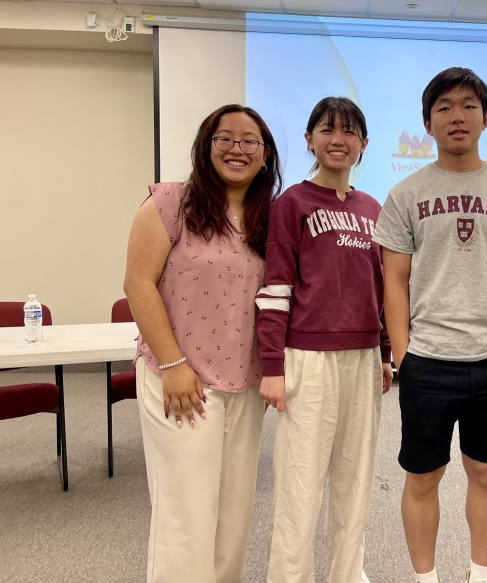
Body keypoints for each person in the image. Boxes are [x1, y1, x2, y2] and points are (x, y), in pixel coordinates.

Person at [373, 67, 487, 583]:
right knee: (422, 476)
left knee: (486, 473)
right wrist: (404, 353)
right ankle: (426, 578)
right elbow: (393, 282)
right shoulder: (405, 194)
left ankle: (481, 574)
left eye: (468, 105)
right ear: (428, 122)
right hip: (428, 361)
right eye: (444, 107)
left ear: (486, 117)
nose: (457, 116)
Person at [124, 104, 281, 583]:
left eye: (249, 140)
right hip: (181, 379)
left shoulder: (268, 218)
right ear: (205, 145)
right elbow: (138, 283)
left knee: (233, 516)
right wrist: (172, 365)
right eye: (225, 138)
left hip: (244, 384)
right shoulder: (171, 202)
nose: (237, 148)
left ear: (266, 154)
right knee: (186, 515)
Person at [256, 96, 393, 583]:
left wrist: (384, 354)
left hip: (360, 359)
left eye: (350, 132)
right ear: (311, 138)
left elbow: (379, 293)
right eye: (328, 130)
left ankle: (347, 575)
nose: (339, 140)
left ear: (364, 145)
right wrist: (273, 366)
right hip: (307, 359)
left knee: (354, 482)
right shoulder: (290, 204)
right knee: (300, 482)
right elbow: (274, 290)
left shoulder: (373, 209)